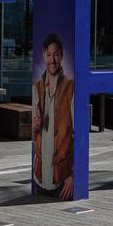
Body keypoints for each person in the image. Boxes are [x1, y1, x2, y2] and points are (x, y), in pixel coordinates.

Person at [32, 33, 75, 199]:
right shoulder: (37, 88)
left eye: (56, 54)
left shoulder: (71, 88)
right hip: (39, 178)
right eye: (48, 55)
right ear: (43, 56)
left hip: (62, 181)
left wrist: (73, 175)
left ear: (62, 55)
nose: (52, 60)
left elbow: (78, 136)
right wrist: (34, 128)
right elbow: (32, 136)